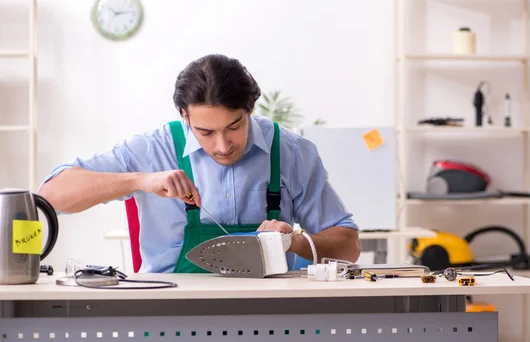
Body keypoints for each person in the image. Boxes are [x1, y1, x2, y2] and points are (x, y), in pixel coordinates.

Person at [39, 54, 361, 273]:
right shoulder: (154, 149)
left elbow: (349, 247)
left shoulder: (292, 153)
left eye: (234, 126)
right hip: (170, 321)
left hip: (270, 319)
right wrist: (140, 181)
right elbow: (52, 196)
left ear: (249, 108)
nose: (222, 146)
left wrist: (294, 241)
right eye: (205, 132)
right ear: (184, 116)